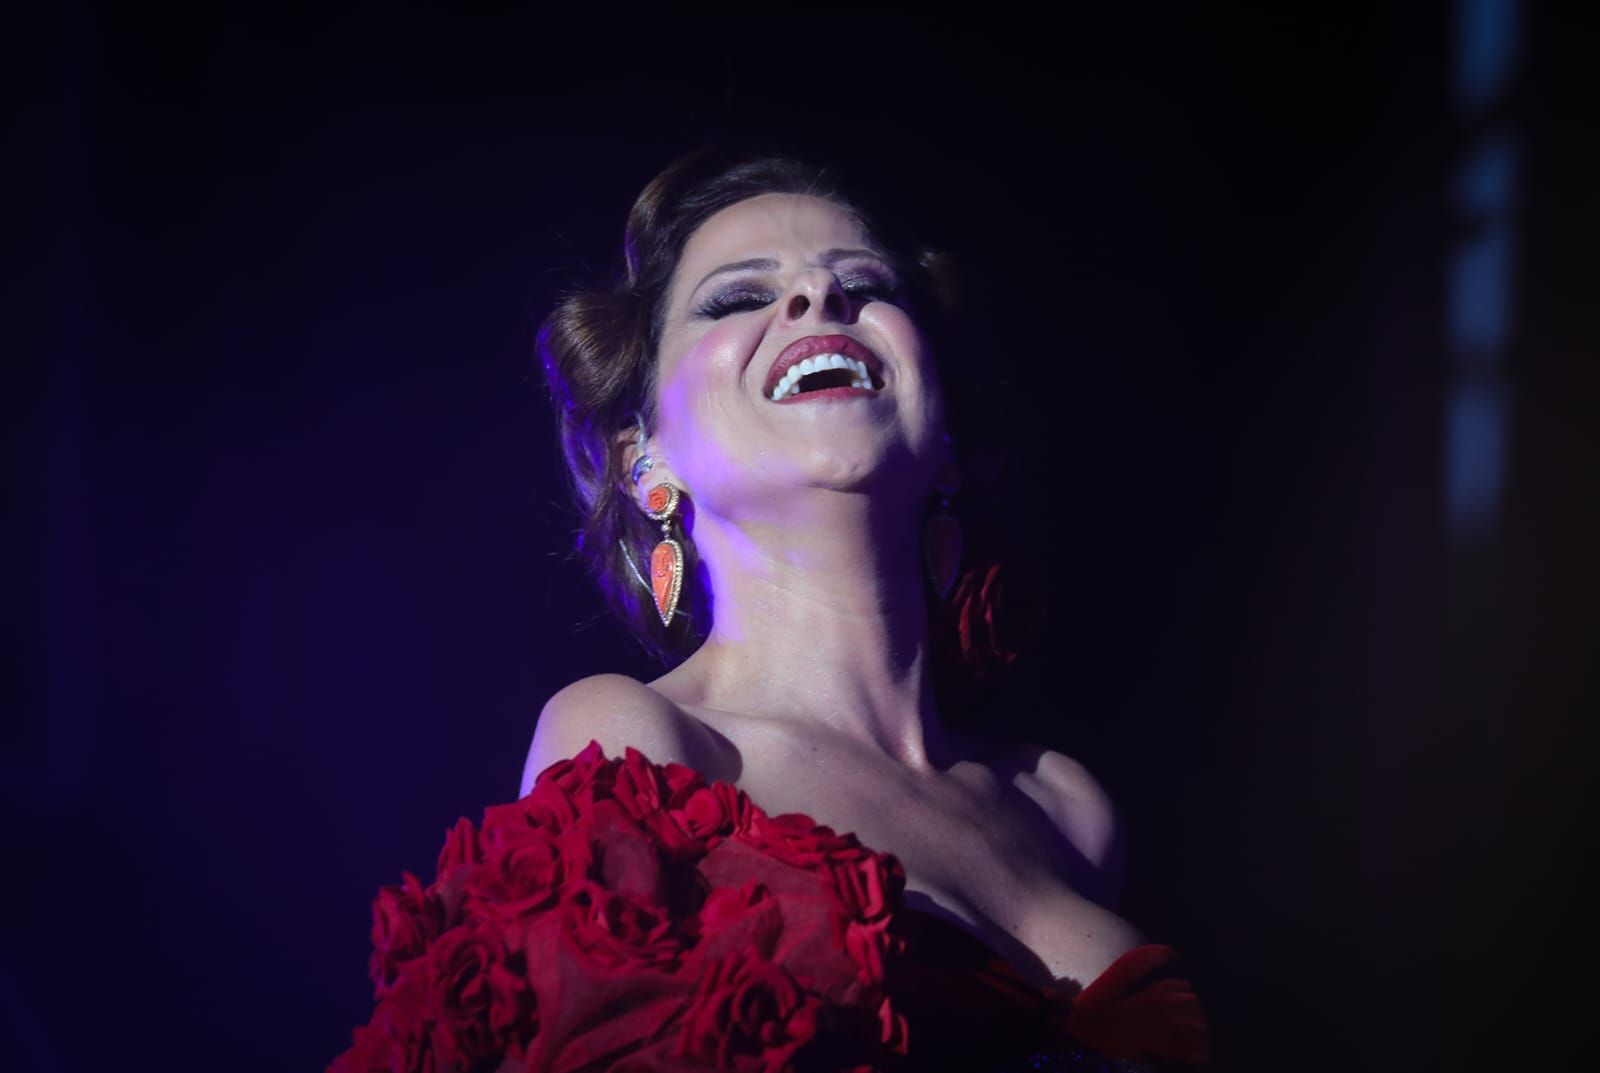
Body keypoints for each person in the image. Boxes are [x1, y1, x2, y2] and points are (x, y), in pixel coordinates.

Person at [329, 147, 1208, 1073]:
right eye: (736, 297)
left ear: (947, 435)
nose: (816, 300)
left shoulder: (1067, 807)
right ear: (645, 459)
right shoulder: (641, 741)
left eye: (864, 283)